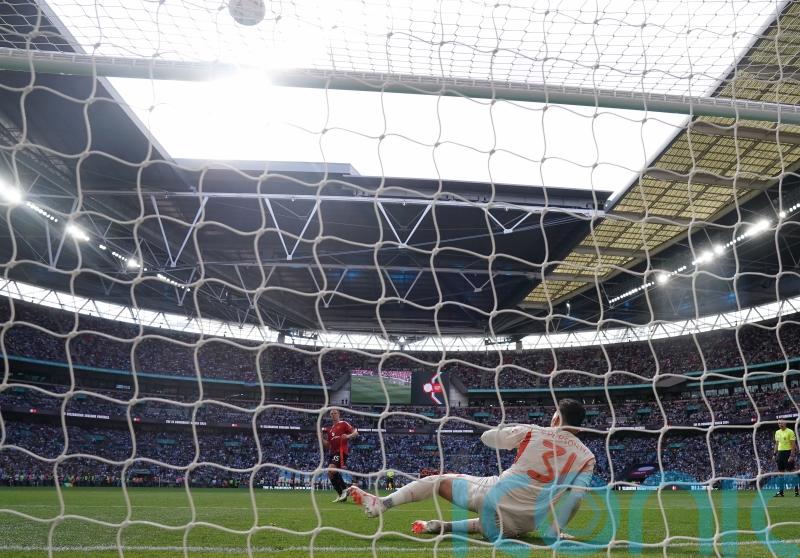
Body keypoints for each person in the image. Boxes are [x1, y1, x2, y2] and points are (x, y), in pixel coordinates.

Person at [348, 399, 595, 541]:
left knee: (437, 479)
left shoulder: (534, 431)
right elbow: (575, 498)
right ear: (580, 428)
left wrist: (513, 432)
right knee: (490, 523)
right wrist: (555, 531)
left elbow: (488, 438)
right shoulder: (587, 456)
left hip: (495, 497)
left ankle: (382, 503)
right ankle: (442, 527)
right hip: (525, 524)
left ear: (554, 420)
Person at [322, 408, 358, 503]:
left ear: (339, 414)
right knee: (330, 474)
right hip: (332, 452)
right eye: (331, 413)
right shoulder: (330, 430)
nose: (333, 414)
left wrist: (348, 436)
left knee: (331, 469)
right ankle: (341, 494)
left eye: (335, 413)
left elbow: (355, 432)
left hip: (341, 451)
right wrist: (320, 437)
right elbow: (328, 445)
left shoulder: (343, 423)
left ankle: (345, 489)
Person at [773, 419, 798, 497]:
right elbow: (776, 444)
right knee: (780, 473)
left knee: (793, 472)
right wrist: (774, 454)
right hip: (780, 453)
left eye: (781, 422)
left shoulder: (790, 432)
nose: (780, 424)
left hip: (788, 453)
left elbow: (793, 445)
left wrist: (792, 455)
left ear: (785, 423)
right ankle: (781, 492)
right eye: (779, 423)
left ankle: (797, 492)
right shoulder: (777, 432)